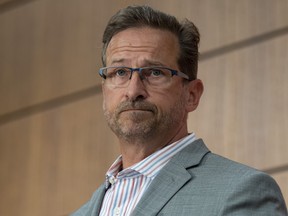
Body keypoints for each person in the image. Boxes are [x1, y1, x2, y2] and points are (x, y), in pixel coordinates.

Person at [72, 5, 287, 216]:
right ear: (104, 91)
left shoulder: (242, 192)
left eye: (155, 72)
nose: (133, 90)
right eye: (119, 72)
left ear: (191, 95)